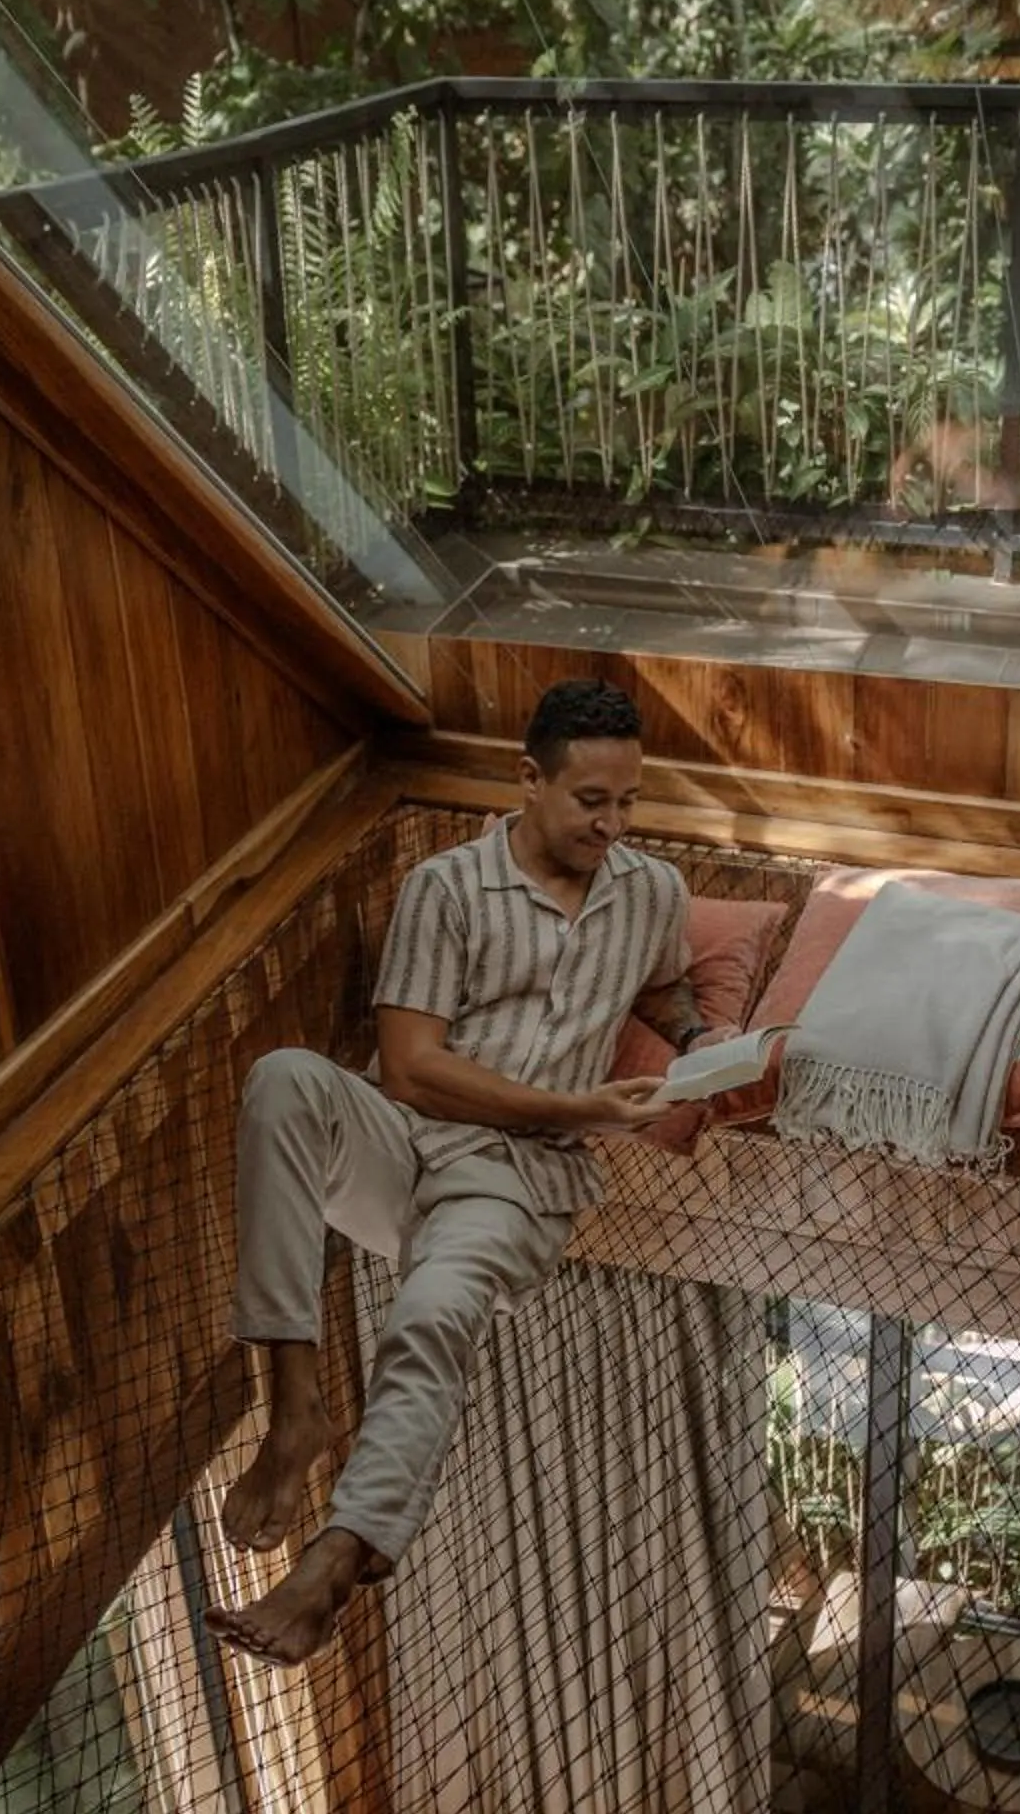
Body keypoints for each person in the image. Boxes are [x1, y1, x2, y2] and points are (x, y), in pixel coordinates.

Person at [204, 677, 711, 1664]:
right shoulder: (447, 889)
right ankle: (295, 1398)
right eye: (590, 800)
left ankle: (337, 1556)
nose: (613, 823)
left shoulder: (654, 892)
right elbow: (410, 1068)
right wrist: (584, 1105)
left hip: (514, 1184)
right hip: (409, 1143)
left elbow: (664, 979)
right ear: (529, 779)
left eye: (628, 801)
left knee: (431, 1315)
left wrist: (703, 1036)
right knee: (284, 1080)